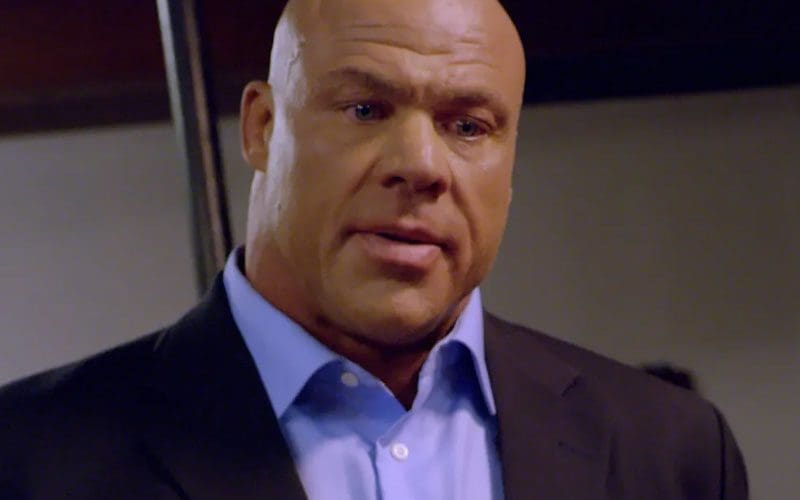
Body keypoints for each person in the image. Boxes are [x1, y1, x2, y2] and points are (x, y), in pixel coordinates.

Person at [0, 0, 747, 498]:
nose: (420, 166)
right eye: (365, 108)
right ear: (261, 128)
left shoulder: (671, 453)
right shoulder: (29, 458)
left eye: (468, 126)